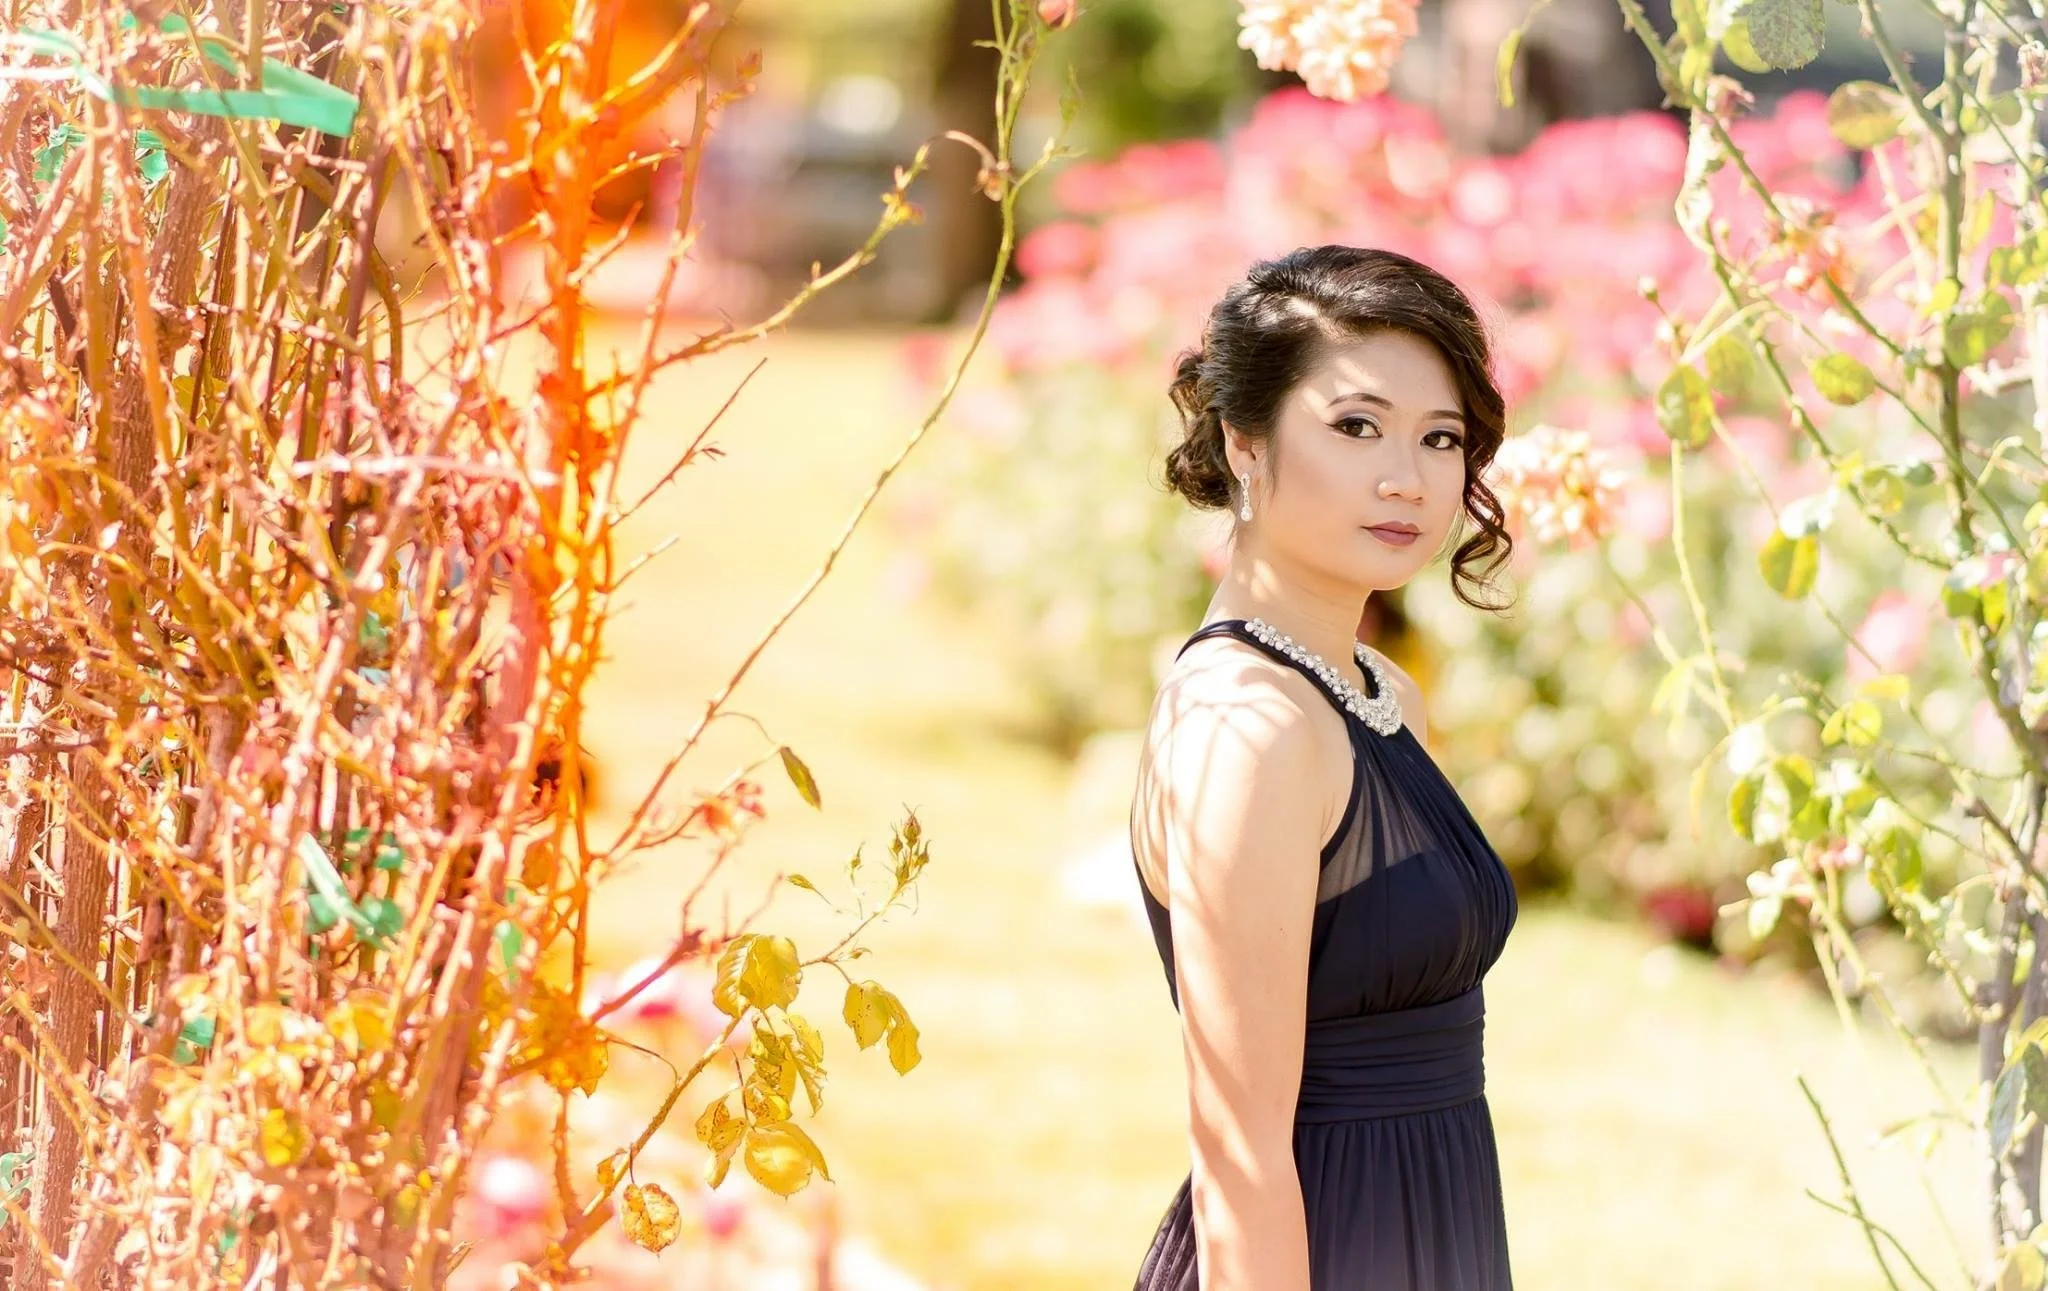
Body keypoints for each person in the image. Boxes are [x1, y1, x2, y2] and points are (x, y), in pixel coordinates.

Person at [1128, 245, 1520, 1290]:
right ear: (1243, 441)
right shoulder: (1246, 730)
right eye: (1355, 426)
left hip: (1434, 1226)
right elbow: (1239, 1149)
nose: (1407, 478)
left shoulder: (1381, 694)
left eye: (1440, 438)